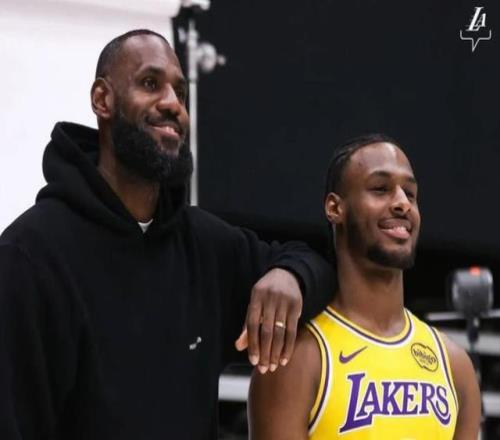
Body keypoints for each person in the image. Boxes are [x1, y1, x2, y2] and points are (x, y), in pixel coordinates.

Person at [0, 29, 333, 439]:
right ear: (102, 99)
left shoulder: (206, 246)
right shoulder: (29, 255)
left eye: (180, 92)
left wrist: (291, 276)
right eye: (149, 83)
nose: (173, 104)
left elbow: (320, 263)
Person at [248, 134, 481, 439]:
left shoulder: (455, 365)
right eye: (380, 189)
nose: (402, 203)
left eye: (410, 194)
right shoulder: (298, 358)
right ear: (335, 208)